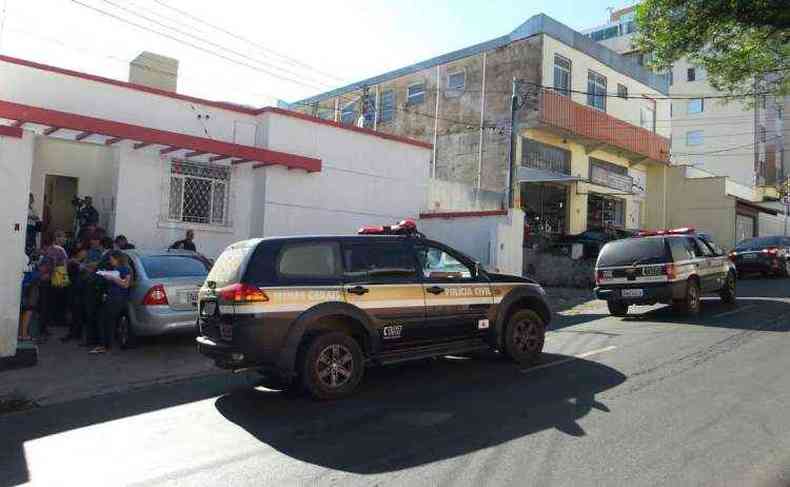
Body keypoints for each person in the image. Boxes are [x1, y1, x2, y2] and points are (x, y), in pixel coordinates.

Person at [91, 250, 131, 354]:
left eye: (111, 259)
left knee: (106, 321)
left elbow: (126, 284)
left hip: (116, 298)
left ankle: (105, 345)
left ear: (117, 259)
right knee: (106, 321)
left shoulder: (125, 269)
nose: (110, 261)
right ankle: (106, 345)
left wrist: (113, 278)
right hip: (111, 297)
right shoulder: (116, 269)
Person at [37, 231, 69, 340]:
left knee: (45, 304)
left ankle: (43, 327)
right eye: (63, 237)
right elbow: (54, 265)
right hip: (51, 279)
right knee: (46, 304)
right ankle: (42, 328)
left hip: (47, 279)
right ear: (57, 238)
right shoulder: (58, 250)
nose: (65, 239)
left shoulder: (51, 249)